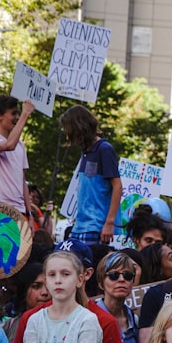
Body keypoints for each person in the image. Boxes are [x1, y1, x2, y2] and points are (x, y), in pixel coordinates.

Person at [60, 105, 122, 245]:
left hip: (97, 228)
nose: (68, 136)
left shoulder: (104, 149)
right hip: (80, 227)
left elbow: (117, 186)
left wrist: (109, 223)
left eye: (69, 131)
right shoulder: (86, 152)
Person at [0, 95, 35, 215]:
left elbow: (23, 181)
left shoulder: (21, 145)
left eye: (18, 114)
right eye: (14, 113)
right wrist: (25, 114)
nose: (17, 117)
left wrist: (30, 214)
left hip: (19, 211)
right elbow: (9, 145)